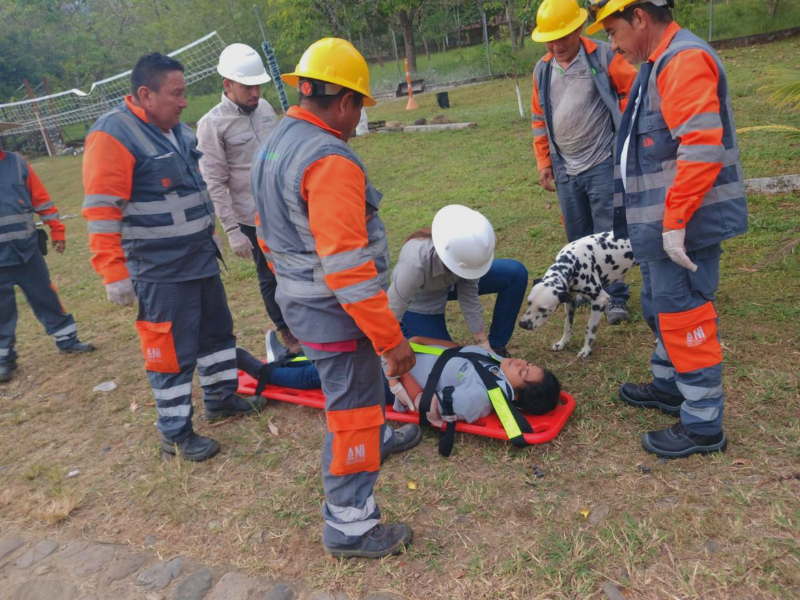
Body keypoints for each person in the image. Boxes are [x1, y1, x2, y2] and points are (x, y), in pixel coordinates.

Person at [251, 37, 421, 559]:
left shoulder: (277, 142)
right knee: (352, 415)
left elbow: (265, 234)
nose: (357, 123)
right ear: (344, 101)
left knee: (358, 405)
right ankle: (350, 525)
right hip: (336, 313)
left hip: (304, 303)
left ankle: (376, 441)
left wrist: (293, 288)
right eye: (359, 109)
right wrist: (391, 341)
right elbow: (349, 270)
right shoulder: (330, 160)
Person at [82, 53, 265, 463]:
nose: (184, 102)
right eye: (176, 94)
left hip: (199, 258)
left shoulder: (175, 130)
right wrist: (114, 272)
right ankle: (176, 434)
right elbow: (101, 210)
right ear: (145, 94)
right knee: (172, 353)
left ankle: (221, 398)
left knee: (217, 336)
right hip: (161, 271)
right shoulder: (112, 136)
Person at [587, 0, 747, 457]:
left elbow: (699, 147)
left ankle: (702, 424)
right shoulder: (658, 63)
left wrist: (675, 222)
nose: (611, 43)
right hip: (660, 226)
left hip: (685, 227)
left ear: (639, 17)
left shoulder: (684, 61)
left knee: (684, 314)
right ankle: (669, 386)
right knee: (659, 305)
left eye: (614, 30)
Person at [531, 0, 637, 324]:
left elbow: (634, 93)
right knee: (577, 240)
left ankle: (617, 298)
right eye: (550, 38)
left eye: (562, 36)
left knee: (609, 235)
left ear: (577, 29)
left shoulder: (604, 56)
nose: (556, 45)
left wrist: (628, 146)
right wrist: (544, 161)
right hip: (566, 169)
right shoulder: (543, 69)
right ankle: (591, 293)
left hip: (604, 162)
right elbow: (538, 118)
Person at [196, 44, 300, 353]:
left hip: (283, 206)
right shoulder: (211, 125)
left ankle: (307, 320)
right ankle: (288, 333)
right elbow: (214, 182)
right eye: (247, 86)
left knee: (298, 266)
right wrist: (231, 230)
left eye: (258, 85)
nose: (255, 92)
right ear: (227, 84)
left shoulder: (266, 108)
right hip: (251, 217)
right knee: (269, 275)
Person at [237, 338, 561, 425]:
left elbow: (427, 409)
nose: (520, 363)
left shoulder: (480, 397)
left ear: (514, 395)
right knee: (341, 352)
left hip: (390, 380)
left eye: (523, 372)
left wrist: (400, 368)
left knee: (323, 375)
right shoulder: (495, 365)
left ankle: (262, 371)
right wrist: (417, 342)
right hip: (404, 355)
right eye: (529, 364)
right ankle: (284, 358)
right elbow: (458, 352)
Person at [0, 142, 94, 383]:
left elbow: (41, 200)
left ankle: (67, 339)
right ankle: (4, 358)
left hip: (26, 251)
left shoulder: (18, 164)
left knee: (45, 296)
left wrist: (57, 229)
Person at [387, 205, 528, 358]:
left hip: (450, 284)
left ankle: (496, 348)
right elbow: (390, 316)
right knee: (447, 358)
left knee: (514, 273)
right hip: (423, 303)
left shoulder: (468, 255)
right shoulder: (413, 266)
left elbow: (468, 296)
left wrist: (483, 343)